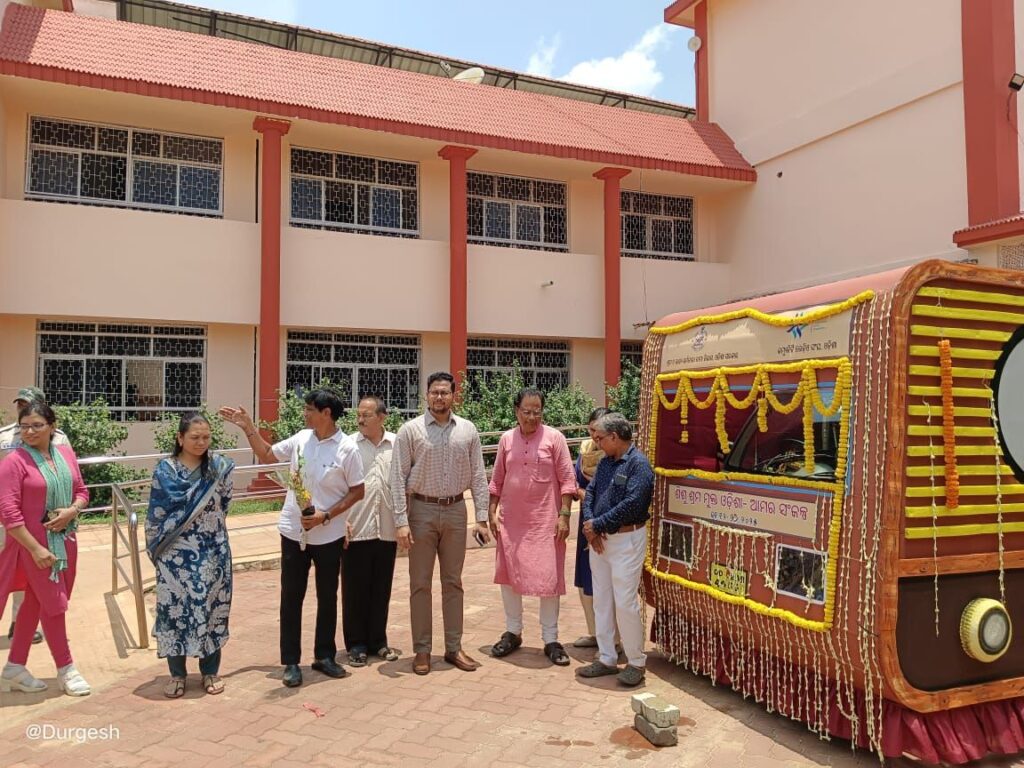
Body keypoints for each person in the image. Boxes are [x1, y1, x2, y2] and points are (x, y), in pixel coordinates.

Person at [219, 388, 364, 688]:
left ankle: (324, 656)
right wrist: (248, 427)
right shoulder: (301, 439)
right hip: (293, 532)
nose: (305, 413)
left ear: (326, 413)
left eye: (310, 409)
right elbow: (266, 454)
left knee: (327, 596)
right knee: (291, 597)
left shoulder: (347, 448)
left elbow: (357, 491)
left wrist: (326, 516)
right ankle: (291, 662)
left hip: (329, 534)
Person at [390, 371, 490, 676]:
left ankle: (453, 647)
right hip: (421, 511)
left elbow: (478, 475)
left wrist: (481, 518)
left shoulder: (468, 430)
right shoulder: (410, 431)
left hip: (456, 511)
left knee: (453, 582)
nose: (439, 397)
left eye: (445, 392)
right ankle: (422, 650)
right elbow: (397, 478)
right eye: (434, 392)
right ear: (426, 395)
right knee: (420, 583)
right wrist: (401, 521)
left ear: (453, 396)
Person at [0, 400, 90, 696]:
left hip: (65, 542)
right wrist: (36, 550)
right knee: (54, 604)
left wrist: (71, 511)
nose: (29, 432)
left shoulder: (65, 454)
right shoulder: (14, 462)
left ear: (52, 427)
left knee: (35, 603)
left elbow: (82, 491)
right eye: (24, 426)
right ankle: (67, 669)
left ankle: (14, 667)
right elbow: (9, 514)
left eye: (37, 425)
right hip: (32, 548)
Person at [145, 412, 235, 698]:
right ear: (180, 438)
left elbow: (224, 504)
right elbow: (156, 512)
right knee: (175, 612)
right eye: (194, 437)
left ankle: (210, 671)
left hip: (213, 551)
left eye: (206, 437)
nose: (201, 442)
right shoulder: (166, 471)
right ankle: (177, 674)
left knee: (212, 608)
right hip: (174, 556)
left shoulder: (219, 468)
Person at [487, 387, 577, 666]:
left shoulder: (555, 438)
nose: (532, 417)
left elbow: (567, 479)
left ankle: (551, 638)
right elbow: (497, 479)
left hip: (545, 521)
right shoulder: (506, 439)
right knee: (509, 576)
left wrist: (564, 515)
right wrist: (491, 511)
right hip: (512, 522)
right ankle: (513, 632)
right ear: (516, 411)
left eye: (537, 412)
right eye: (526, 411)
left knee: (549, 579)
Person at [575, 412, 655, 687]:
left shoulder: (638, 465)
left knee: (624, 602)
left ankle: (636, 662)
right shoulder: (606, 462)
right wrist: (591, 526)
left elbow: (633, 504)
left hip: (626, 540)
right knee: (602, 600)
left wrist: (597, 525)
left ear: (615, 436)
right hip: (600, 540)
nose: (596, 443)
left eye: (600, 438)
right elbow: (590, 493)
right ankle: (607, 657)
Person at [0, 387, 69, 645]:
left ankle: (20, 622)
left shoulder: (58, 439)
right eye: (20, 404)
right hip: (5, 515)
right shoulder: (4, 436)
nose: (23, 409)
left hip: (39, 517)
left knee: (32, 568)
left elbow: (67, 473)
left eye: (28, 404)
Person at [342, 396, 400, 667]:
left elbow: (403, 481)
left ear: (382, 417)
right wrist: (340, 520)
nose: (360, 420)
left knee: (381, 588)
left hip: (386, 528)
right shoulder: (348, 445)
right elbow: (337, 485)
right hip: (356, 527)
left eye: (366, 415)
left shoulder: (397, 444)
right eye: (359, 415)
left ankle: (378, 641)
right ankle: (356, 644)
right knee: (354, 590)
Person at [571, 406, 610, 648]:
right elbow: (573, 482)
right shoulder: (584, 451)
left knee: (607, 582)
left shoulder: (616, 453)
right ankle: (595, 633)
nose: (595, 436)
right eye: (591, 430)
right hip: (586, 524)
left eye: (599, 431)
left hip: (608, 523)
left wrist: (594, 497)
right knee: (586, 578)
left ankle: (614, 640)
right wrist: (582, 493)